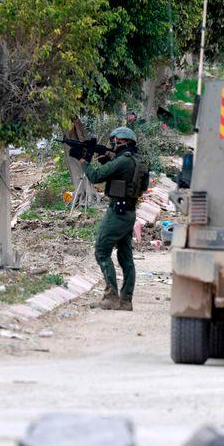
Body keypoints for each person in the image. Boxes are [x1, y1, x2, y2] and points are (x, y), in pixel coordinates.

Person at [69, 127, 144, 311]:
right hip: (128, 212)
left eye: (114, 142)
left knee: (102, 251)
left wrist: (83, 159)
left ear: (123, 142)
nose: (112, 145)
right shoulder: (136, 160)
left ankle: (111, 297)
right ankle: (126, 300)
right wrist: (105, 156)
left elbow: (95, 176)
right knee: (125, 256)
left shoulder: (123, 161)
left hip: (117, 213)